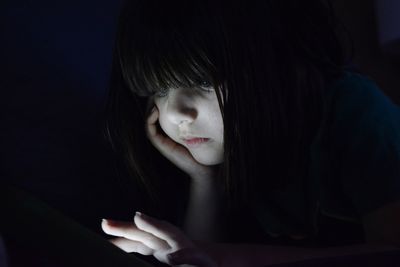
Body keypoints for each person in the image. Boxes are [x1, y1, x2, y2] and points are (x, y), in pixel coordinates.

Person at [100, 0, 400, 266]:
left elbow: (391, 253)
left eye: (204, 81)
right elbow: (199, 257)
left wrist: (224, 258)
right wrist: (204, 181)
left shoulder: (354, 111)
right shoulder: (221, 151)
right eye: (160, 90)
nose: (175, 113)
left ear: (273, 63)